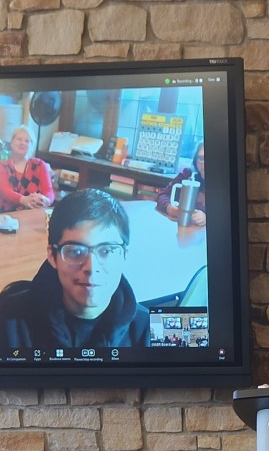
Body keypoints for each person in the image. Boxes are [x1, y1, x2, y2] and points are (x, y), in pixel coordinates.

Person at [0, 187, 150, 348]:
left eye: (106, 251)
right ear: (52, 255)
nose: (91, 267)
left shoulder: (152, 328)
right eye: (76, 252)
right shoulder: (8, 318)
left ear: (124, 255)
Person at [0, 125, 55, 212]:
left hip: (35, 213)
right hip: (8, 215)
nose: (23, 143)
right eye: (19, 139)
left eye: (27, 141)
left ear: (31, 145)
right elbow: (5, 191)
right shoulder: (3, 165)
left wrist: (45, 200)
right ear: (11, 142)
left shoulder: (40, 165)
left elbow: (49, 191)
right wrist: (24, 200)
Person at [156, 141, 206, 225]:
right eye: (201, 158)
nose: (204, 163)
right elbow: (162, 195)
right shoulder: (188, 175)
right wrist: (169, 208)